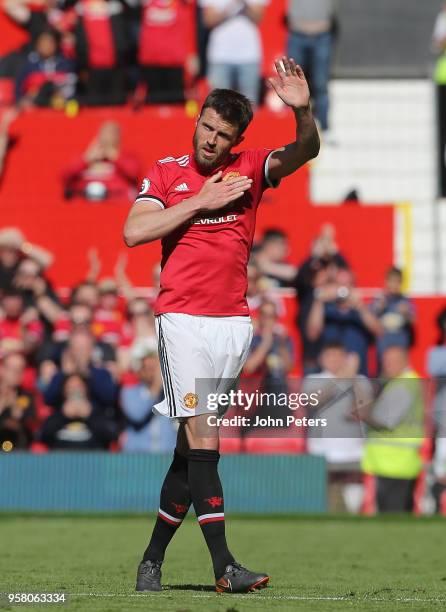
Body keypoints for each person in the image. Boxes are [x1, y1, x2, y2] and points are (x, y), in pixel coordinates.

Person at [123, 57, 319, 593]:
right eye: (206, 126)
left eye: (222, 134)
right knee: (204, 434)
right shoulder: (167, 172)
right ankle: (224, 566)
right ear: (198, 119)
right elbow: (134, 233)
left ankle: (151, 562)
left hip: (231, 325)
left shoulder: (250, 169)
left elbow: (305, 152)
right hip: (181, 319)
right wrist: (202, 201)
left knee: (192, 451)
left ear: (236, 140)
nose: (210, 139)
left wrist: (304, 113)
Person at [302, 342, 373, 513]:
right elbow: (313, 401)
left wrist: (353, 379)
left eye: (339, 356)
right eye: (330, 356)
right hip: (322, 449)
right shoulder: (313, 380)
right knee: (327, 499)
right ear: (322, 359)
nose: (334, 360)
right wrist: (338, 381)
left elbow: (364, 409)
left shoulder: (360, 380)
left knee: (353, 501)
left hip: (354, 450)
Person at [359, 346, 424, 513]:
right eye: (385, 361)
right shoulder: (402, 381)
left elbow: (385, 420)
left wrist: (361, 413)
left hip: (394, 462)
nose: (386, 366)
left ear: (404, 361)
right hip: (396, 462)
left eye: (392, 362)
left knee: (393, 515)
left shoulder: (403, 384)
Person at [306, 268, 381, 375]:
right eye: (339, 286)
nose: (342, 292)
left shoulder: (362, 311)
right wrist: (319, 300)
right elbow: (312, 334)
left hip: (356, 376)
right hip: (329, 378)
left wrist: (360, 306)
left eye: (347, 286)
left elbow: (379, 332)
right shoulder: (326, 310)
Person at [199, 0, 269, 105]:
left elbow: (259, 17)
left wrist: (244, 3)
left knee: (249, 105)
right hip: (220, 55)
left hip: (249, 56)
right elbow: (208, 20)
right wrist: (231, 6)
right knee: (218, 105)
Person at [286, 0, 336, 135]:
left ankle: (324, 126)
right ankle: (290, 126)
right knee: (292, 82)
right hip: (297, 33)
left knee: (320, 83)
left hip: (322, 33)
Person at [120, 339, 176, 452]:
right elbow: (137, 414)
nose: (153, 373)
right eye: (148, 368)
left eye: (155, 367)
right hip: (138, 458)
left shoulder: (172, 394)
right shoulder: (129, 392)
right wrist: (156, 386)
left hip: (167, 458)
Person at [62, 121, 141, 201]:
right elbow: (65, 175)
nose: (106, 137)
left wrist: (114, 156)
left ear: (118, 138)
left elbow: (134, 173)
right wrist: (86, 159)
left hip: (115, 205)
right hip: (83, 204)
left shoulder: (127, 158)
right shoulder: (85, 158)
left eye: (111, 133)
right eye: (104, 133)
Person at [15, 29, 76, 107]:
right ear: (37, 45)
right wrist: (22, 101)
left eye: (49, 42)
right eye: (43, 43)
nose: (46, 46)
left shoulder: (65, 64)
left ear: (56, 44)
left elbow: (71, 89)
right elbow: (18, 89)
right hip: (34, 107)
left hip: (60, 107)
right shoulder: (29, 65)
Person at [369, 267, 415, 368]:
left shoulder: (405, 301)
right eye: (391, 281)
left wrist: (406, 314)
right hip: (383, 349)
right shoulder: (379, 300)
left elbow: (413, 321)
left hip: (400, 348)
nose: (394, 285)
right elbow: (369, 321)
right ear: (386, 282)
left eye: (397, 282)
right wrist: (378, 308)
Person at [0, 352, 35, 450]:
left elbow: (31, 425)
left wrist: (18, 415)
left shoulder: (26, 396)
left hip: (18, 449)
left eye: (20, 369)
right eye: (12, 369)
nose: (17, 373)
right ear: (2, 369)